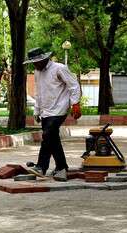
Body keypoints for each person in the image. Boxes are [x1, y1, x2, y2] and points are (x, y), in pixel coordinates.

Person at [24, 47, 82, 181]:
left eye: (37, 62)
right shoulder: (37, 72)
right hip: (46, 111)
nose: (35, 65)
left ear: (44, 59)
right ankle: (61, 167)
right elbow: (39, 92)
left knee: (47, 135)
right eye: (33, 63)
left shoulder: (59, 68)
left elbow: (73, 85)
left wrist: (76, 103)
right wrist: (37, 110)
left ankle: (41, 166)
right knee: (52, 138)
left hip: (60, 108)